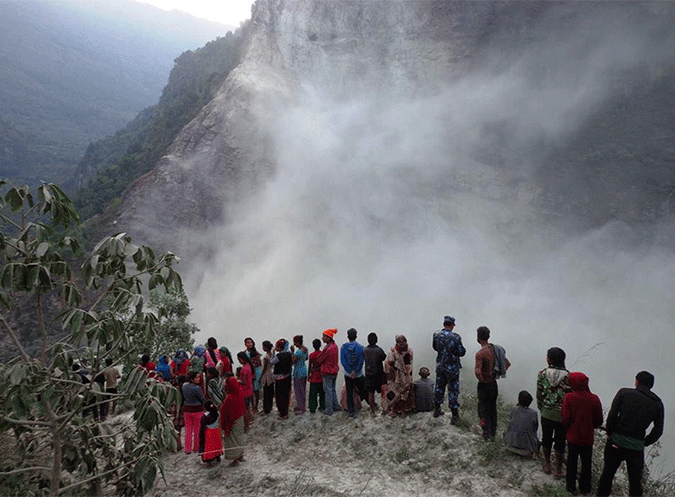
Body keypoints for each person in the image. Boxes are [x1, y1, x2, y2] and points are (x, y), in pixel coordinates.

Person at [597, 371, 664, 497]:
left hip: (616, 441)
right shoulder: (658, 404)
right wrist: (644, 442)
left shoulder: (624, 393)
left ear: (637, 381)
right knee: (635, 483)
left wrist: (611, 433)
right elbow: (658, 430)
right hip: (636, 447)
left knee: (607, 474)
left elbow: (612, 415)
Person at [562, 372, 603, 496]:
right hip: (587, 438)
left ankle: (571, 487)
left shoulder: (569, 397)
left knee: (572, 461)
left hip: (573, 436)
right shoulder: (594, 398)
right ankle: (585, 489)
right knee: (586, 464)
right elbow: (598, 421)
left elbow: (565, 418)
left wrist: (567, 429)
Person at [536, 347, 571, 477]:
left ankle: (547, 464)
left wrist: (541, 407)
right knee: (560, 442)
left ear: (550, 359)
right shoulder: (568, 376)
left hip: (546, 412)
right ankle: (559, 470)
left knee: (546, 439)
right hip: (562, 415)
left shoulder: (542, 374)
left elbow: (539, 393)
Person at [474, 326, 510, 440]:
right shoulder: (496, 350)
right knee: (492, 408)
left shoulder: (480, 354)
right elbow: (507, 364)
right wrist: (495, 374)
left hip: (484, 384)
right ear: (488, 336)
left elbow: (478, 371)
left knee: (483, 408)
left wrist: (483, 379)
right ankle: (493, 433)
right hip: (493, 384)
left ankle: (486, 433)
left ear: (478, 338)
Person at [432, 315, 466, 423]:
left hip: (440, 366)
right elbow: (462, 352)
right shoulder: (456, 337)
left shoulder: (436, 335)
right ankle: (454, 415)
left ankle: (436, 409)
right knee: (453, 390)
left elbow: (435, 347)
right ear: (451, 325)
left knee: (439, 387)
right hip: (452, 368)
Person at [382, 335, 414, 417]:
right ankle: (394, 410)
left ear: (406, 342)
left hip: (406, 375)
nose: (401, 344)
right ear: (397, 343)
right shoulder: (392, 351)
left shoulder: (409, 350)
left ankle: (403, 410)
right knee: (393, 392)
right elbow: (389, 363)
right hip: (395, 375)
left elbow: (408, 363)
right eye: (399, 342)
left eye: (403, 342)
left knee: (405, 393)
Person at [220, 376, 247, 467]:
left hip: (232, 423)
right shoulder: (239, 393)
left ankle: (235, 459)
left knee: (233, 440)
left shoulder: (229, 398)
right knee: (240, 438)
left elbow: (224, 411)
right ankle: (241, 455)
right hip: (240, 419)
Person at [504, 390, 540, 457]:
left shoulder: (513, 410)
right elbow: (535, 428)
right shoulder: (533, 413)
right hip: (528, 450)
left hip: (510, 446)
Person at [340, 328, 365, 418]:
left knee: (349, 392)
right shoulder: (361, 347)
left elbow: (343, 361)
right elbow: (361, 361)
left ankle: (351, 411)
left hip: (348, 374)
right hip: (358, 374)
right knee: (364, 389)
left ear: (348, 336)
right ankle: (371, 404)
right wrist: (355, 371)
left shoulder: (343, 347)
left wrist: (350, 371)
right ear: (356, 336)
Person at [316, 329, 341, 416]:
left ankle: (329, 409)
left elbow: (319, 359)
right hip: (334, 371)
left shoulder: (327, 349)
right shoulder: (335, 346)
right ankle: (336, 406)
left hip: (327, 372)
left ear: (328, 338)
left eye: (324, 336)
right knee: (332, 389)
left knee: (328, 391)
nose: (322, 338)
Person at [181, 371, 206, 455]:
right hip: (197, 410)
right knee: (197, 429)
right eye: (197, 377)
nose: (198, 379)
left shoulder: (184, 386)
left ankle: (187, 449)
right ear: (192, 379)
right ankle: (196, 447)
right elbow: (202, 399)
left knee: (188, 430)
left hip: (187, 410)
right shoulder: (197, 388)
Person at [363, 332, 386, 416]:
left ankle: (372, 411)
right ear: (376, 340)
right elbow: (384, 358)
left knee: (371, 393)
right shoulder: (379, 350)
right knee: (383, 392)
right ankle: (384, 409)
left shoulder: (364, 350)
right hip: (378, 373)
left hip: (368, 374)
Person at [271, 339, 293, 419]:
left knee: (280, 396)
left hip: (279, 379)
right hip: (287, 377)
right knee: (286, 395)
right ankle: (285, 412)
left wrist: (273, 354)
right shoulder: (288, 354)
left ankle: (282, 413)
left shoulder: (278, 356)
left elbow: (271, 362)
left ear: (280, 347)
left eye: (277, 346)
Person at [198, 400, 223, 465]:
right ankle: (217, 456)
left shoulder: (205, 416)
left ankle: (209, 458)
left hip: (208, 432)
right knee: (216, 445)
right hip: (216, 431)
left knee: (209, 446)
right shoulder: (217, 413)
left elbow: (202, 426)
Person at [291, 335, 308, 415]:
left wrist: (292, 352)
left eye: (294, 342)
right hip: (304, 370)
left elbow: (293, 361)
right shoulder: (305, 349)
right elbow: (306, 358)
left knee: (298, 390)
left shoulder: (298, 352)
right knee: (303, 389)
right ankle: (302, 406)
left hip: (298, 371)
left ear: (297, 342)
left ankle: (301, 408)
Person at [244, 338, 263, 412]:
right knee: (250, 390)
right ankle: (252, 405)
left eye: (250, 342)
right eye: (247, 342)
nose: (249, 344)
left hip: (256, 372)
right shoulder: (244, 353)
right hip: (248, 372)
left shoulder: (256, 353)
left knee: (256, 390)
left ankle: (256, 406)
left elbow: (258, 363)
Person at [307, 339, 325, 414]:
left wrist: (308, 375)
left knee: (313, 394)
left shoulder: (311, 355)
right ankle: (322, 406)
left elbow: (310, 366)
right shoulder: (322, 354)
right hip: (321, 375)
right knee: (322, 393)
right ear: (320, 345)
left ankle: (312, 408)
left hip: (314, 376)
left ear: (313, 346)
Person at [260, 341, 275, 415]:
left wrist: (260, 377)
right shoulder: (272, 354)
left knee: (266, 392)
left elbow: (264, 368)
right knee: (270, 391)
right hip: (271, 373)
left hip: (266, 375)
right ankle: (270, 407)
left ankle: (266, 409)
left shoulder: (266, 357)